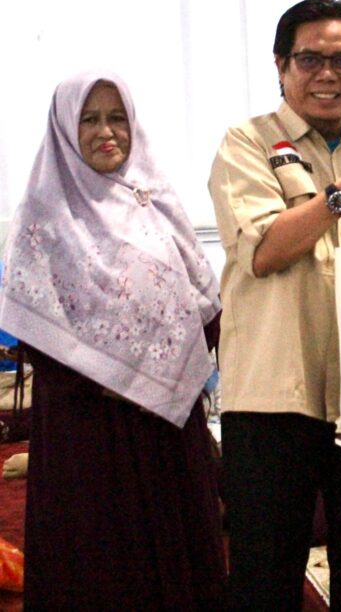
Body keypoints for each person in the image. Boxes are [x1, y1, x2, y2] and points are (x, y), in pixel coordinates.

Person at [208, 0, 341, 611]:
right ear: (281, 65)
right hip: (273, 398)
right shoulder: (246, 144)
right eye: (309, 59)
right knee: (266, 575)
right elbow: (267, 250)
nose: (327, 74)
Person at [0, 71, 225, 609]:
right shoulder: (43, 219)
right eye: (90, 119)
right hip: (89, 432)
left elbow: (206, 305)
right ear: (64, 128)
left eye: (117, 117)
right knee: (102, 565)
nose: (107, 131)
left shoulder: (158, 203)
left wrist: (166, 368)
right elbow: (37, 329)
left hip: (167, 427)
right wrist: (117, 377)